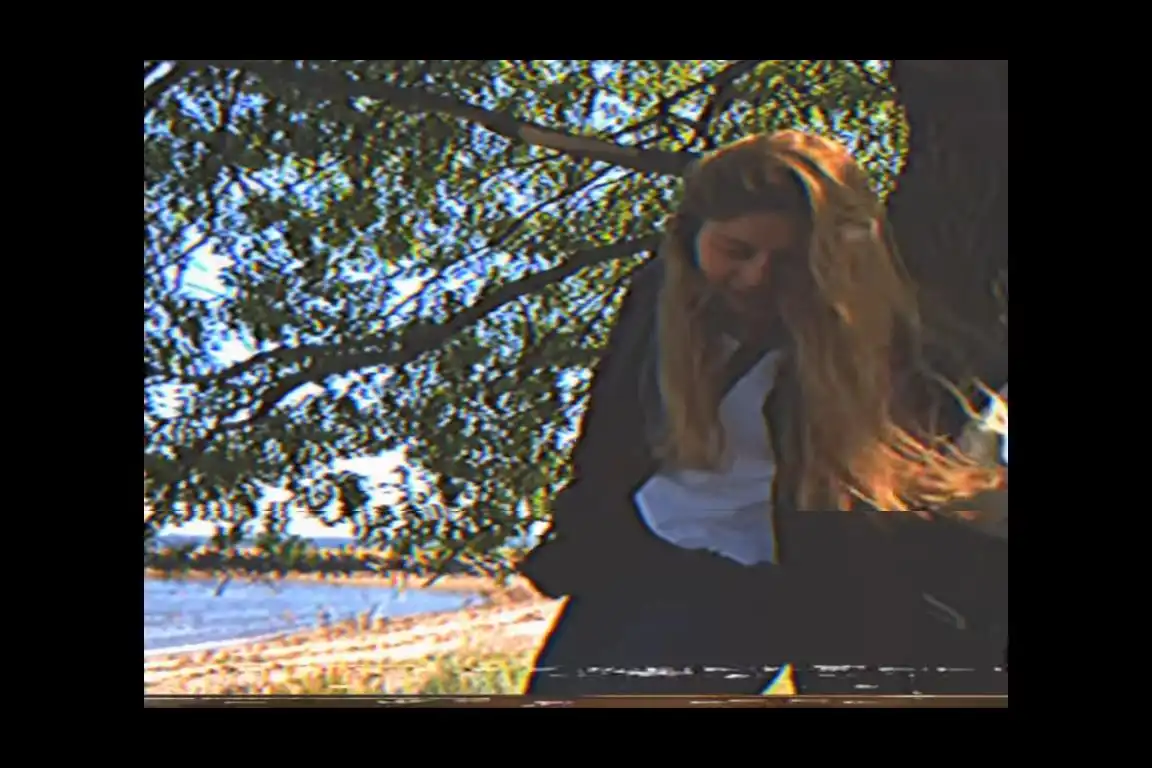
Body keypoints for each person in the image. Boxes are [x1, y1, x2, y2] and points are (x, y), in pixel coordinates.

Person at [517, 130, 1008, 696]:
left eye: (790, 260)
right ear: (690, 233)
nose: (757, 277)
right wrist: (578, 537)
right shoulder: (657, 300)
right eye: (736, 251)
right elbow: (608, 432)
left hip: (757, 581)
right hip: (637, 552)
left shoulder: (885, 342)